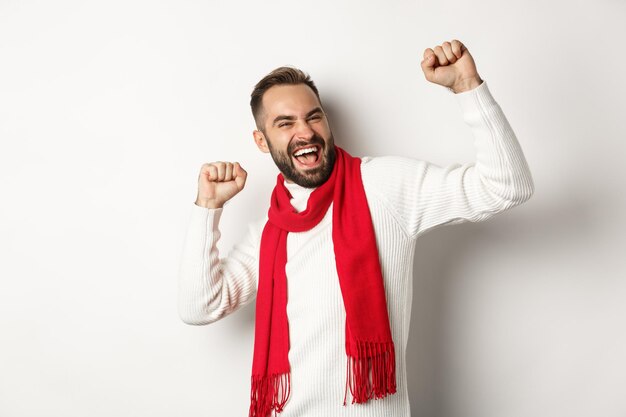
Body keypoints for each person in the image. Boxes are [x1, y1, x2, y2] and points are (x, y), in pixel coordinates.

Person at [178, 39, 534, 417]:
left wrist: (468, 88)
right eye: (285, 123)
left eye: (313, 116)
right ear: (262, 142)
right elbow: (200, 306)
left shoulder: (384, 186)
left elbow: (508, 187)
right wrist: (208, 208)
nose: (305, 131)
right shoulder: (267, 233)